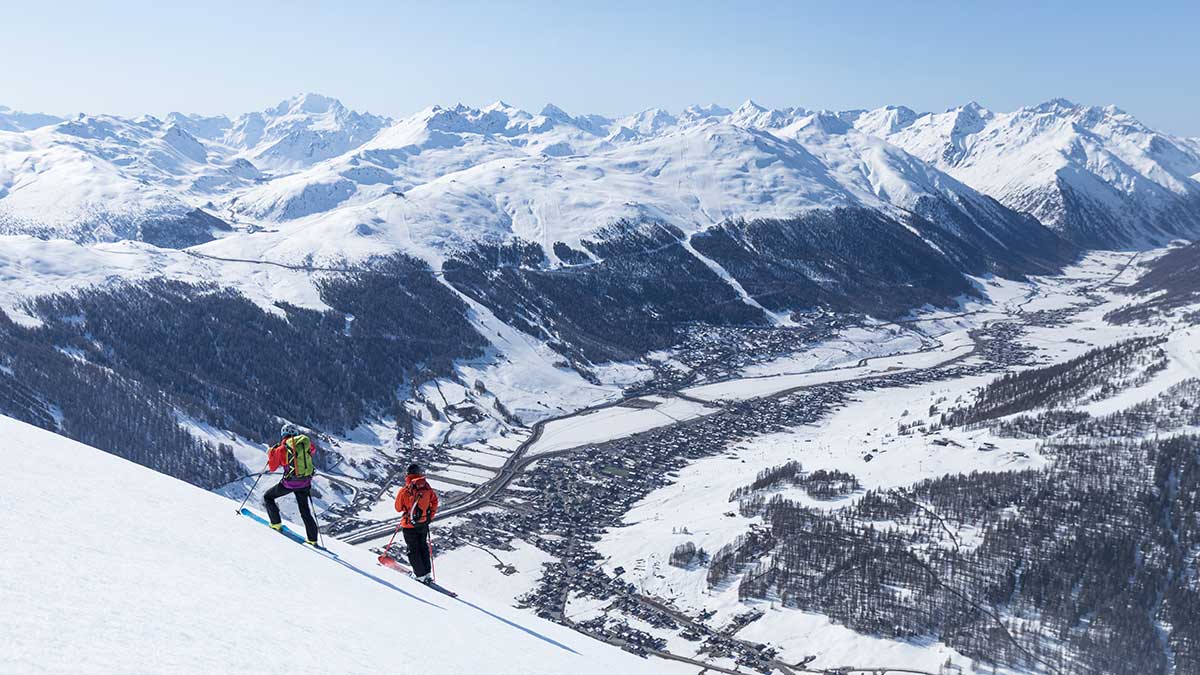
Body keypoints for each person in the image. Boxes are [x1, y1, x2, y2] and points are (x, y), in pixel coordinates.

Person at [263, 422, 320, 545]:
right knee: (305, 511)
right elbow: (312, 450)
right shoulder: (306, 444)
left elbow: (272, 467)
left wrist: (271, 453)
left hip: (289, 483)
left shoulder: (282, 449)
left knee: (268, 497)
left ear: (283, 434)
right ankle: (312, 539)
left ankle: (276, 524)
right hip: (305, 482)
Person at [394, 463, 439, 583]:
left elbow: (398, 508)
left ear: (408, 474)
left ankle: (420, 575)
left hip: (409, 525)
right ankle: (427, 574)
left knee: (413, 549)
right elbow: (434, 502)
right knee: (423, 547)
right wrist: (429, 517)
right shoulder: (427, 488)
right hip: (423, 523)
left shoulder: (405, 490)